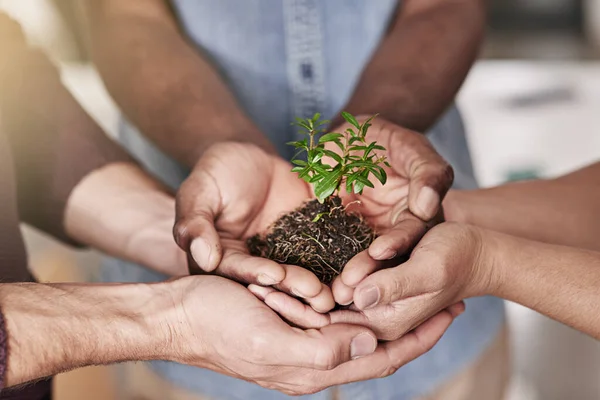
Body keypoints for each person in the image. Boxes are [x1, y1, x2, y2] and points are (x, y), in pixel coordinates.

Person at [0, 15, 461, 399]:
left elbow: (16, 92)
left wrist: (190, 237)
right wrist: (166, 321)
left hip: (425, 330)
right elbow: (123, 14)